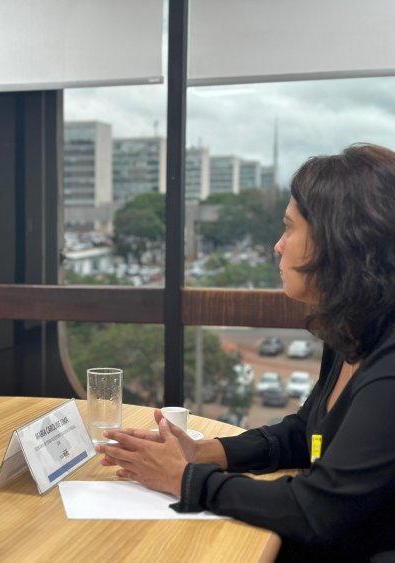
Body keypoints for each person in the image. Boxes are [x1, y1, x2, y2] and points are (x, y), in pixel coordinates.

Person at [97, 143, 395, 561]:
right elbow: (304, 434)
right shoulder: (353, 330)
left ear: (339, 241)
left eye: (289, 229)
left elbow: (317, 510)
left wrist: (187, 480)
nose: (277, 245)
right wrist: (205, 453)